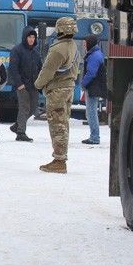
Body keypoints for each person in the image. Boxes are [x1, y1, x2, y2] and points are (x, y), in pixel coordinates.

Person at [34, 16, 80, 174]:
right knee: (63, 123)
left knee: (57, 125)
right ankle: (61, 157)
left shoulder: (58, 48)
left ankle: (59, 160)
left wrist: (38, 84)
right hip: (68, 87)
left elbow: (47, 71)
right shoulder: (73, 45)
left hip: (58, 90)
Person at [7, 27, 42, 142]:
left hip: (34, 85)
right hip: (22, 85)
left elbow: (40, 68)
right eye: (30, 37)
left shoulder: (36, 52)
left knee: (33, 108)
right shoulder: (17, 50)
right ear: (25, 37)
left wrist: (40, 83)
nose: (32, 39)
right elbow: (13, 68)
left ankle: (17, 125)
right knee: (24, 108)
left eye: (33, 37)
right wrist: (19, 83)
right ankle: (21, 132)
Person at [80, 34, 106, 145]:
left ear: (90, 43)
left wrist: (83, 83)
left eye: (85, 43)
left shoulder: (94, 55)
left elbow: (91, 73)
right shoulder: (96, 53)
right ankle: (94, 136)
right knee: (90, 112)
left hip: (92, 87)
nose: (84, 45)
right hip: (94, 87)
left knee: (91, 113)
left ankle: (94, 137)